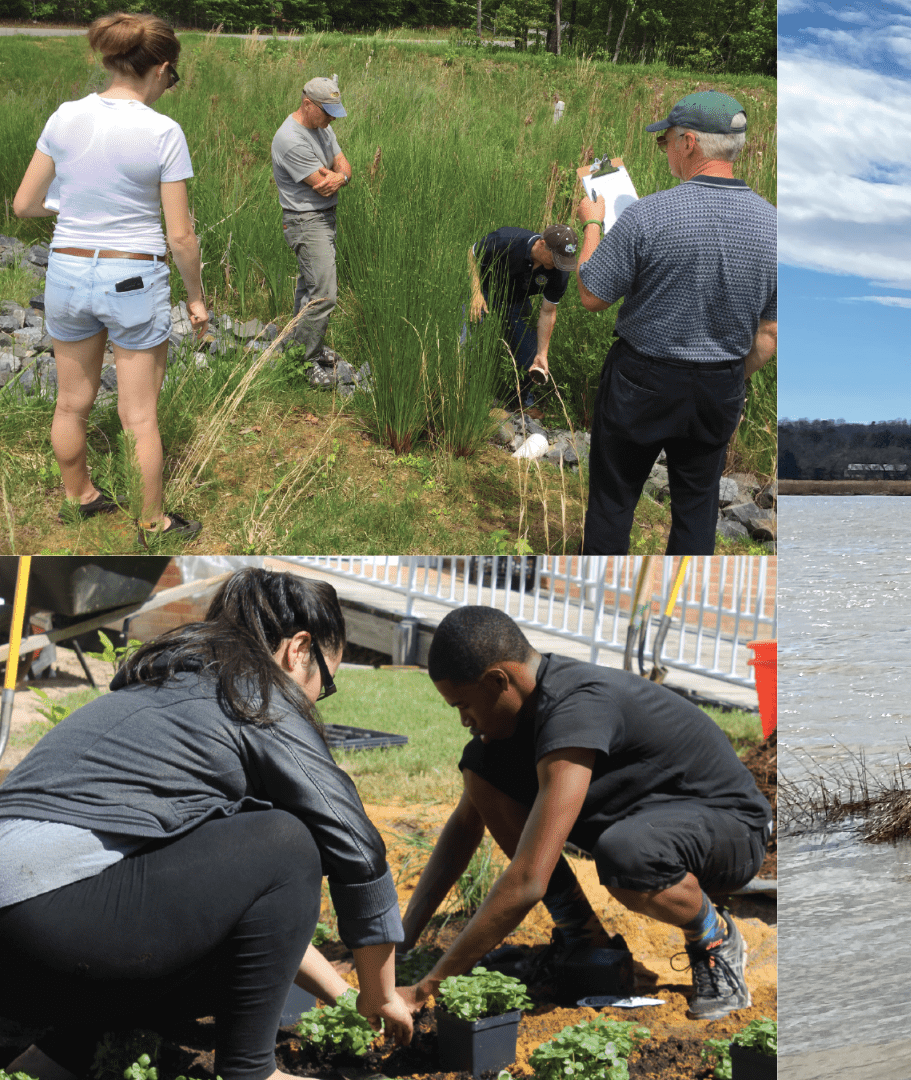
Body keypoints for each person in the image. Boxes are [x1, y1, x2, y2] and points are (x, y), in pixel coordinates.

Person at [0, 569, 413, 1080]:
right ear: (298, 650)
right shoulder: (253, 695)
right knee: (289, 840)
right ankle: (252, 1072)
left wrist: (346, 996)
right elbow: (356, 847)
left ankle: (53, 1059)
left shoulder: (162, 692)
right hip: (50, 916)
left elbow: (241, 905)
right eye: (322, 685)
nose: (311, 703)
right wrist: (382, 994)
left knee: (233, 893)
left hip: (22, 949)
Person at [395, 605, 770, 1021]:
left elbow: (528, 880)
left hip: (732, 829)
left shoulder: (575, 707)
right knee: (481, 769)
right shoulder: (525, 715)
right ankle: (583, 938)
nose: (464, 720)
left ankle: (714, 939)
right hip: (654, 826)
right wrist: (400, 941)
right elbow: (464, 829)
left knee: (626, 855)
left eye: (463, 705)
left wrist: (427, 987)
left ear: (499, 680)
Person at [10, 11, 209, 539]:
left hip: (68, 271)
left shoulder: (64, 117)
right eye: (173, 76)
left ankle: (80, 498)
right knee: (138, 415)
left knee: (72, 401)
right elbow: (181, 236)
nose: (171, 86)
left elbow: (25, 205)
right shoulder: (164, 131)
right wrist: (196, 298)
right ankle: (153, 522)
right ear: (161, 68)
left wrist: (78, 207)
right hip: (132, 277)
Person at [573, 90, 777, 555]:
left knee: (612, 501)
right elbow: (769, 336)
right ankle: (686, 611)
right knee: (697, 508)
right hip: (719, 385)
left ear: (688, 143)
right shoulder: (776, 226)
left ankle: (602, 608)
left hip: (640, 382)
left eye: (664, 139)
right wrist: (727, 379)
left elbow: (590, 295)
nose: (663, 147)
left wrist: (591, 224)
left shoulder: (650, 215)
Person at [270, 75, 350, 371]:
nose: (332, 119)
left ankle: (296, 348)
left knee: (308, 289)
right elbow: (323, 185)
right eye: (327, 112)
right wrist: (336, 176)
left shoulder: (322, 128)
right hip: (305, 220)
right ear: (307, 104)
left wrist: (339, 174)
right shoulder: (290, 139)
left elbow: (343, 166)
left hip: (324, 217)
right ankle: (305, 361)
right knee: (324, 295)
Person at [467, 223, 581, 414]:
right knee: (466, 346)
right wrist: (475, 293)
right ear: (542, 244)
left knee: (531, 355)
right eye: (557, 258)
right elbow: (471, 255)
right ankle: (468, 399)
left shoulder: (559, 271)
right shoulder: (507, 240)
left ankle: (519, 402)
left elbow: (548, 312)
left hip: (515, 301)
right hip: (485, 292)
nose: (559, 264)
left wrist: (542, 354)